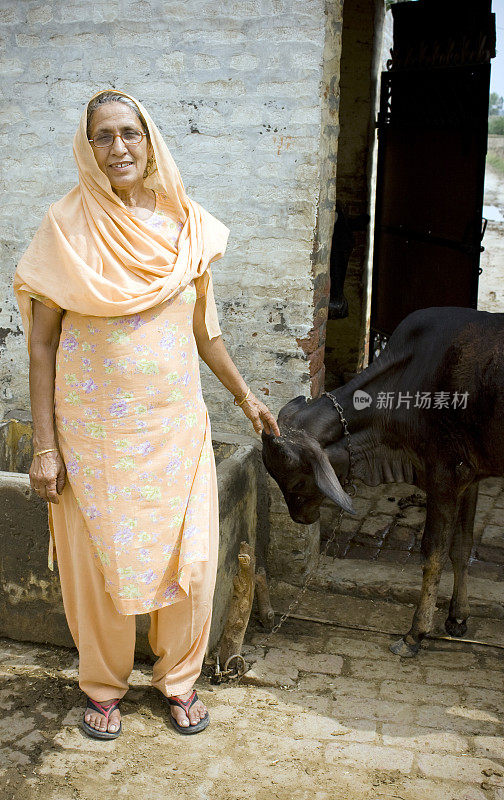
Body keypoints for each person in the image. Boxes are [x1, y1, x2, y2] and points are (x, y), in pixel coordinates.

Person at [13, 89, 280, 740]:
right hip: (92, 436)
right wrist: (44, 446)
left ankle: (178, 681)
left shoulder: (182, 222)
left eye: (130, 133)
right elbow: (42, 342)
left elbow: (205, 332)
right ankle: (103, 686)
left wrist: (246, 396)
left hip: (172, 431)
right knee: (99, 564)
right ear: (88, 147)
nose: (119, 148)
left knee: (186, 562)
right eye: (103, 136)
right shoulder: (66, 229)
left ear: (150, 139)